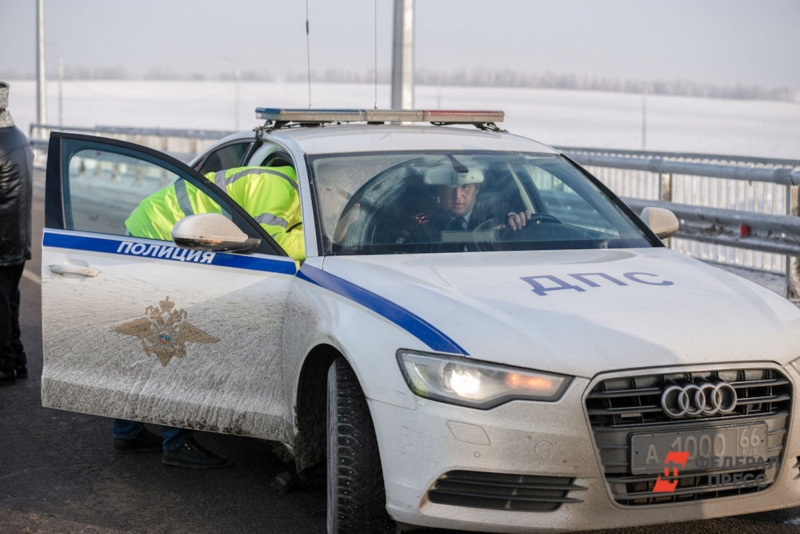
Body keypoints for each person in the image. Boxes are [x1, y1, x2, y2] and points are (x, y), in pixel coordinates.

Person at [112, 165, 304, 467]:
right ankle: (176, 444)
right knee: (176, 345)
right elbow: (273, 245)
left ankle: (128, 430)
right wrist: (333, 240)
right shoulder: (280, 188)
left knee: (153, 345)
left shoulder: (281, 181)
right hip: (161, 237)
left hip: (159, 230)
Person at [0, 81, 32, 386]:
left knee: (2, 305)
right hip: (17, 239)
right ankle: (17, 358)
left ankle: (5, 364)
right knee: (9, 301)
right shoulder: (19, 137)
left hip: (2, 242)